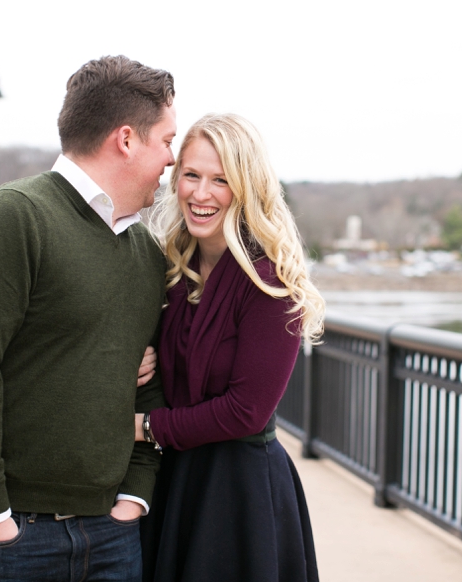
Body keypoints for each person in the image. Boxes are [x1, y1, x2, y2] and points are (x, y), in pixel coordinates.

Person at [0, 55, 176, 581]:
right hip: (3, 534)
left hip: (109, 534)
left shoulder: (146, 253)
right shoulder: (13, 218)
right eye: (167, 141)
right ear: (127, 140)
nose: (170, 160)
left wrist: (134, 494)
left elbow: (149, 384)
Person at [136, 113, 324, 582]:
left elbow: (246, 411)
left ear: (246, 188)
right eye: (191, 175)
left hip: (239, 497)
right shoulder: (174, 271)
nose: (201, 194)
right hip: (176, 482)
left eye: (221, 180)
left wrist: (143, 427)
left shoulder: (270, 283)